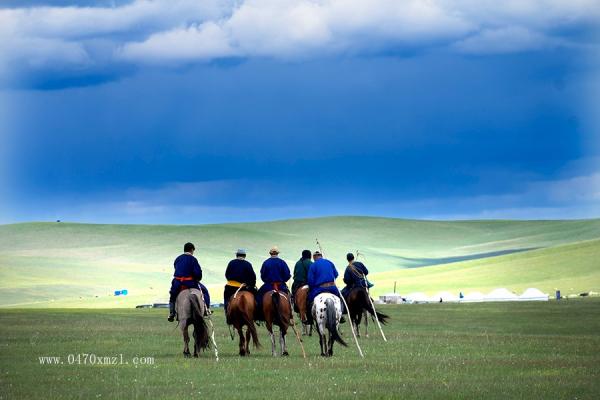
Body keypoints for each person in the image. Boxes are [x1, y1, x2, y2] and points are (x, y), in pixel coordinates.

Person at [167, 242, 210, 322]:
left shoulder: (178, 258)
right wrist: (197, 278)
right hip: (190, 283)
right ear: (191, 250)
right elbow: (197, 273)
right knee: (204, 291)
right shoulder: (193, 259)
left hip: (177, 283)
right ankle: (206, 310)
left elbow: (177, 269)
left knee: (172, 296)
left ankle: (172, 313)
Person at [307, 250, 345, 322]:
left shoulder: (313, 265)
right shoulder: (329, 262)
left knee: (309, 300)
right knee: (340, 299)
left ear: (314, 257)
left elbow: (310, 280)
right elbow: (336, 274)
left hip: (319, 288)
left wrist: (312, 288)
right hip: (332, 287)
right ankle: (341, 315)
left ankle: (310, 319)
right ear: (321, 256)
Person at [256, 246, 291, 319]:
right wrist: (283, 280)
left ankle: (259, 315)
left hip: (268, 285)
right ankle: (290, 315)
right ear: (277, 253)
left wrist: (266, 280)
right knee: (289, 297)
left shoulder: (266, 262)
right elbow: (287, 274)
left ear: (270, 253)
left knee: (258, 297)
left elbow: (262, 275)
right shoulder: (282, 262)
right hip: (280, 285)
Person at [223, 248, 257, 322]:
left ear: (236, 255)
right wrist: (250, 285)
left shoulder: (231, 263)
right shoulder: (248, 264)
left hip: (230, 287)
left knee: (227, 300)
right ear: (244, 256)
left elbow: (227, 274)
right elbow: (253, 277)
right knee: (256, 297)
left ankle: (228, 315)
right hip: (243, 287)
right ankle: (256, 315)